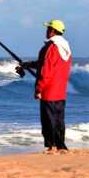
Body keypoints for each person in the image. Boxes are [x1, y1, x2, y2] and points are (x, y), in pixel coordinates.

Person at [16, 20, 72, 152]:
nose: (46, 31)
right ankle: (60, 146)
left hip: (48, 90)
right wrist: (27, 65)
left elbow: (45, 70)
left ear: (53, 30)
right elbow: (45, 64)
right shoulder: (66, 48)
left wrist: (39, 89)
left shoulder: (51, 47)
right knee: (58, 119)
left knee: (48, 120)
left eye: (48, 29)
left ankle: (51, 147)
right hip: (60, 91)